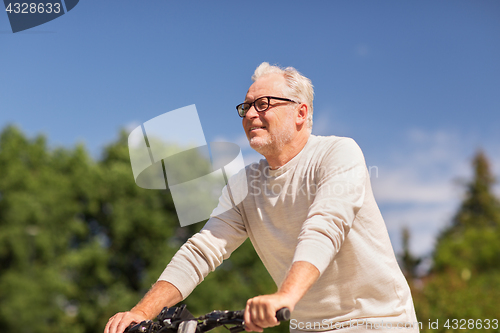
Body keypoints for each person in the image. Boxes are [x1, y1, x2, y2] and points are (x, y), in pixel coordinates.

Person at [105, 63, 419, 333]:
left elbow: (325, 226)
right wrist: (142, 313)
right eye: (246, 107)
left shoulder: (337, 154)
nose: (250, 114)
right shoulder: (245, 183)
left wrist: (285, 296)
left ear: (301, 111)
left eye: (264, 103)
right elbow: (202, 251)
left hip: (378, 321)